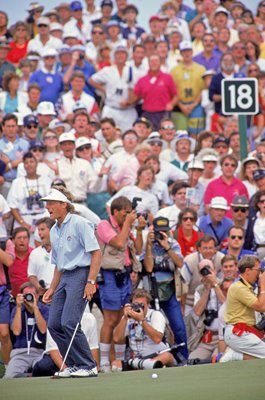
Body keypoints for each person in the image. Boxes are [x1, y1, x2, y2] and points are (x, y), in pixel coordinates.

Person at [42, 185, 101, 378]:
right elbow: (59, 264)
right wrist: (52, 288)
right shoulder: (54, 230)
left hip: (81, 275)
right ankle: (75, 364)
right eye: (47, 203)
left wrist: (91, 281)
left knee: (69, 321)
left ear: (63, 204)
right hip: (64, 278)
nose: (48, 206)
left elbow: (96, 252)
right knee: (54, 324)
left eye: (51, 203)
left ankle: (88, 365)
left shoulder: (79, 223)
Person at [96, 196, 144, 373]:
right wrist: (127, 225)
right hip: (109, 276)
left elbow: (138, 250)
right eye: (126, 212)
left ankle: (120, 360)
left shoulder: (127, 227)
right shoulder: (104, 225)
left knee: (124, 317)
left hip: (124, 276)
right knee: (110, 320)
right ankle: (105, 362)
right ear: (115, 212)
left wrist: (138, 230)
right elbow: (117, 243)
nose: (128, 215)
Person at [143, 216, 188, 359]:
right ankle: (161, 358)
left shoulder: (173, 244)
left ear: (169, 231)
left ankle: (183, 358)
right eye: (158, 232)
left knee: (179, 328)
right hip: (152, 293)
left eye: (164, 232)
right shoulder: (148, 244)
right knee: (157, 329)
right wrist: (149, 247)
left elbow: (180, 264)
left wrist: (167, 247)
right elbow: (148, 268)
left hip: (170, 293)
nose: (161, 235)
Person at [112, 288, 175, 371]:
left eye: (142, 305)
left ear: (148, 305)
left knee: (166, 356)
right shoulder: (128, 317)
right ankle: (145, 366)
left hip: (157, 355)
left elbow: (157, 339)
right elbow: (116, 339)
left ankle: (147, 365)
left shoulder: (155, 315)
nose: (139, 308)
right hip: (137, 359)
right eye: (136, 305)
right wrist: (124, 319)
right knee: (115, 365)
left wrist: (141, 321)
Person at [221, 255, 265, 363]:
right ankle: (235, 355)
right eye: (258, 270)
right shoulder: (238, 288)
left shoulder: (245, 287)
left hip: (243, 332)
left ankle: (236, 355)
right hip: (238, 333)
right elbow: (261, 307)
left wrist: (260, 286)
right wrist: (263, 284)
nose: (259, 274)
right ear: (248, 270)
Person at [4, 282, 49, 379]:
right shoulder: (17, 310)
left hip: (40, 353)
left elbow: (43, 330)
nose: (29, 297)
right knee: (9, 377)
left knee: (43, 373)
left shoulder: (44, 309)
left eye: (32, 295)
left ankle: (27, 376)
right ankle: (27, 376)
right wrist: (19, 307)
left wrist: (35, 308)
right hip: (20, 353)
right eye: (26, 295)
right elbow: (16, 331)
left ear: (37, 295)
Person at [189, 259, 226, 360]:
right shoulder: (200, 289)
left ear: (214, 270)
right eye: (203, 270)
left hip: (223, 336)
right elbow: (197, 312)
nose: (206, 272)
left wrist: (214, 284)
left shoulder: (224, 284)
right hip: (208, 337)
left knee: (217, 358)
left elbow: (227, 305)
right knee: (192, 360)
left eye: (208, 269)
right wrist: (207, 289)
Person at [181, 235, 224, 316]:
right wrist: (182, 307)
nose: (208, 251)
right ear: (199, 249)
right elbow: (183, 285)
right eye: (205, 248)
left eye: (210, 248)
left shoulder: (221, 259)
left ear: (215, 249)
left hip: (216, 300)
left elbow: (223, 282)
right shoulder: (190, 260)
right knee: (188, 324)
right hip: (191, 301)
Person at [204, 154, 249, 219]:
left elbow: (245, 208)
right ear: (221, 166)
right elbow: (207, 207)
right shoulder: (212, 185)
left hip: (236, 224)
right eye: (226, 164)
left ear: (236, 168)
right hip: (217, 224)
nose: (229, 167)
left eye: (232, 165)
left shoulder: (241, 186)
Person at [28, 217, 56, 294]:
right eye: (38, 230)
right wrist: (38, 287)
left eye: (42, 229)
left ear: (53, 230)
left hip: (62, 293)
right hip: (44, 295)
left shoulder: (64, 249)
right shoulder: (35, 253)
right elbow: (31, 275)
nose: (39, 233)